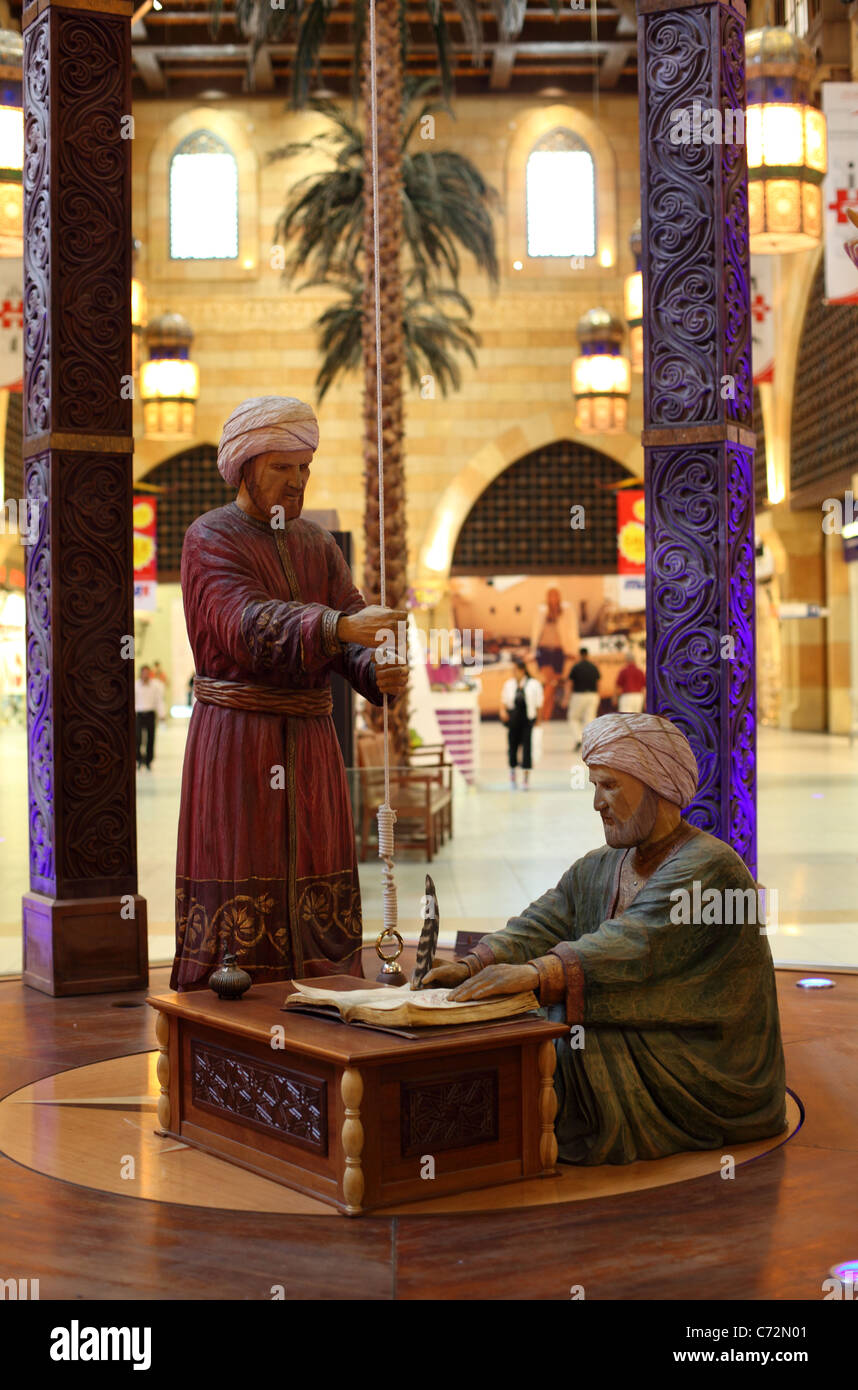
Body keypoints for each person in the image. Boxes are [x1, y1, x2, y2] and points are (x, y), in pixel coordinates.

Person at [424, 713, 787, 1165]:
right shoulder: (601, 865)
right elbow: (543, 921)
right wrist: (473, 965)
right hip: (645, 1031)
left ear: (657, 785)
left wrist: (535, 973)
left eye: (610, 785)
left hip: (705, 1059)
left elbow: (636, 944)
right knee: (534, 1021)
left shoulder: (713, 867)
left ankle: (480, 1136)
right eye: (594, 785)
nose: (597, 803)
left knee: (566, 1038)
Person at [170, 396, 408, 992]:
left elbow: (352, 622)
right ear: (246, 467)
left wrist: (375, 667)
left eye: (305, 468)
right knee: (241, 864)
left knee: (319, 867)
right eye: (284, 468)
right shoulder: (210, 538)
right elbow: (242, 624)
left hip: (312, 738)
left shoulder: (318, 544)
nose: (298, 481)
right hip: (238, 740)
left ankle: (326, 986)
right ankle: (233, 997)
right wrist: (337, 629)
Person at [530, 587, 578, 721]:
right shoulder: (542, 611)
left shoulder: (566, 611)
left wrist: (573, 649)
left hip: (559, 651)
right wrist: (533, 651)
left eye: (555, 595)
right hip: (544, 650)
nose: (553, 598)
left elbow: (571, 630)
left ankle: (546, 716)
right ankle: (539, 714)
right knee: (550, 683)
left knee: (552, 685)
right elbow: (535, 632)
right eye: (550, 595)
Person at [500, 656, 543, 790]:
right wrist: (502, 712)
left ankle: (525, 779)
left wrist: (538, 721)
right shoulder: (509, 684)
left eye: (516, 670)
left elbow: (538, 704)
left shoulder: (533, 684)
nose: (514, 673)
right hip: (513, 721)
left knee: (527, 750)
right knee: (512, 748)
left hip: (527, 721)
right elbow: (504, 701)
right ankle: (513, 776)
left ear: (522, 670)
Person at [567, 646, 601, 750]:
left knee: (573, 718)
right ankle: (589, 742)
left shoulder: (576, 667)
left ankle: (578, 739)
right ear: (587, 655)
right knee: (589, 719)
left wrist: (566, 697)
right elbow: (598, 682)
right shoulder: (593, 667)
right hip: (593, 695)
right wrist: (598, 695)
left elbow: (570, 683)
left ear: (580, 655)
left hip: (578, 695)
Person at [134, 664, 166, 769]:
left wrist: (162, 714)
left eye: (147, 673)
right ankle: (138, 759)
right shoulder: (135, 685)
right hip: (139, 715)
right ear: (141, 673)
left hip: (150, 714)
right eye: (144, 672)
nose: (145, 675)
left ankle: (148, 760)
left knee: (150, 738)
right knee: (137, 738)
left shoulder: (155, 686)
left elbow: (159, 701)